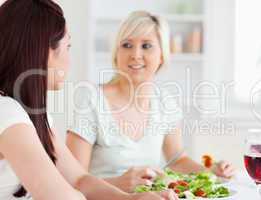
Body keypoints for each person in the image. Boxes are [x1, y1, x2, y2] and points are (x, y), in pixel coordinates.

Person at [0, 1, 178, 199]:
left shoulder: (36, 116)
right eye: (68, 46)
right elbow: (62, 197)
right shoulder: (7, 113)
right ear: (45, 51)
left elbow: (78, 180)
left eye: (147, 46)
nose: (70, 59)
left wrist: (131, 198)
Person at [67, 10, 235, 193]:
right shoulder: (91, 99)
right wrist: (117, 184)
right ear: (117, 53)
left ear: (162, 55)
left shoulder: (165, 102)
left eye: (146, 46)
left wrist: (210, 173)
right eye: (127, 45)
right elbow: (72, 180)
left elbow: (176, 160)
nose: (135, 54)